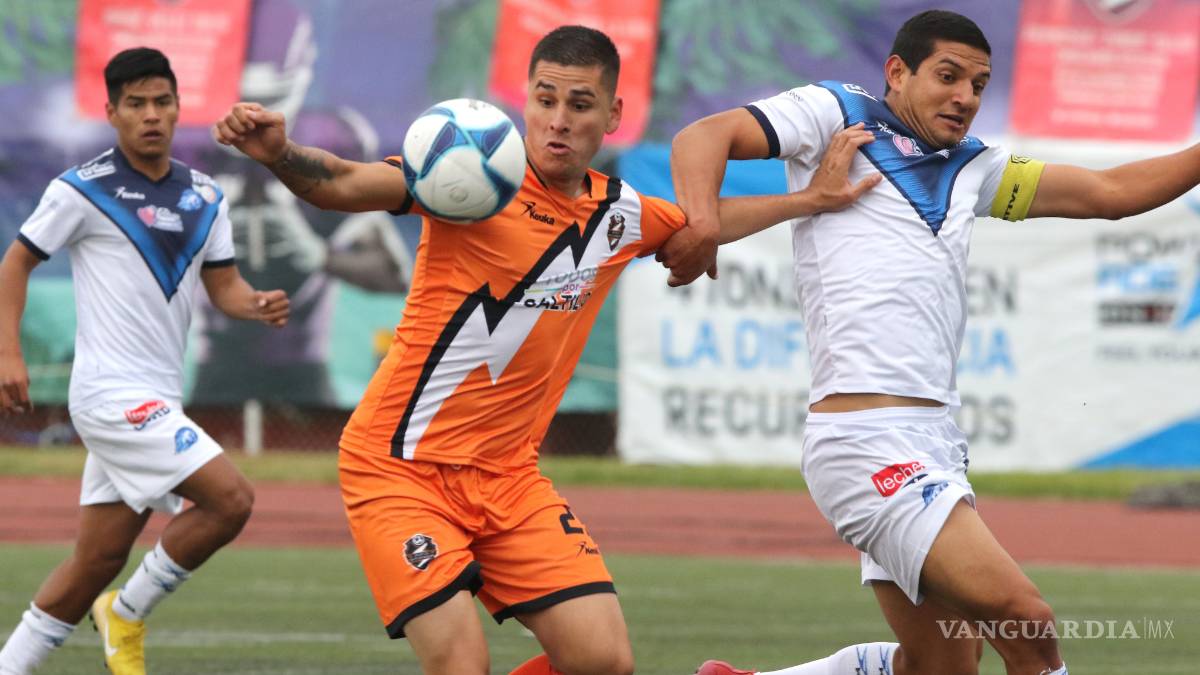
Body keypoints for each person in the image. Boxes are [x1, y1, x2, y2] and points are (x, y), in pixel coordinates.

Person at [213, 25, 878, 675]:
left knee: (602, 659)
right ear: (525, 101)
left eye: (580, 104)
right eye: (545, 99)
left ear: (613, 115)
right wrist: (280, 153)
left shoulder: (620, 215)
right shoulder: (468, 179)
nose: (559, 120)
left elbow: (702, 225)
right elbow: (342, 183)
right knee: (461, 663)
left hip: (508, 479)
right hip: (401, 467)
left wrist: (809, 199)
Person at [668, 9, 1200, 675]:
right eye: (948, 76)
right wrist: (702, 225)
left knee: (942, 662)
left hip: (935, 445)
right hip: (866, 444)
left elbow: (1109, 192)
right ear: (897, 71)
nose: (965, 97)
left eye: (978, 85)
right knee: (1028, 624)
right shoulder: (835, 112)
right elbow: (703, 136)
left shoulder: (976, 166)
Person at [0, 48, 290, 675]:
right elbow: (16, 262)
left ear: (179, 107)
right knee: (231, 500)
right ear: (112, 112)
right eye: (135, 104)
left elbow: (225, 288)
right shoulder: (81, 189)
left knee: (95, 561)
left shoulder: (205, 195)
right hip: (110, 396)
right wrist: (7, 352)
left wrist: (257, 304)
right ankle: (127, 611)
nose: (151, 115)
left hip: (159, 399)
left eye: (162, 102)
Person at [189, 0, 413, 408]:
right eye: (242, 100)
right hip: (214, 360)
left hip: (302, 359)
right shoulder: (191, 148)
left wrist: (317, 253)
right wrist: (198, 240)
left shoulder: (330, 139)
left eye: (269, 98)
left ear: (301, 76)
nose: (252, 116)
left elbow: (395, 273)